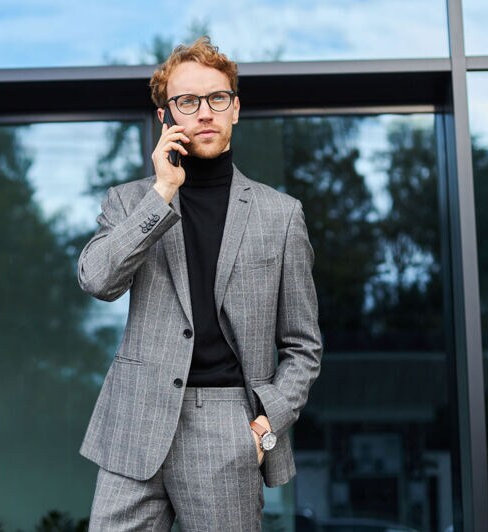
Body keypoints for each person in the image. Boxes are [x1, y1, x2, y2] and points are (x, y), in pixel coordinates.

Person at [76, 36, 323, 531]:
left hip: (227, 426)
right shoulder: (129, 202)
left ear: (235, 109)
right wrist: (162, 191)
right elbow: (98, 279)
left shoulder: (280, 216)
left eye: (217, 98)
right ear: (166, 117)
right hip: (135, 420)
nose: (204, 112)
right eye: (187, 101)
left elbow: (302, 345)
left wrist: (265, 422)